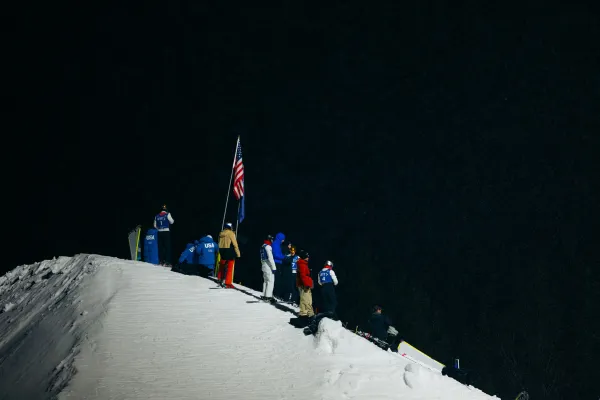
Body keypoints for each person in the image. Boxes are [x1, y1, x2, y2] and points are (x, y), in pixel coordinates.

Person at [217, 222, 240, 288]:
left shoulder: (221, 233)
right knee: (230, 266)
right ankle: (228, 282)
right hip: (229, 250)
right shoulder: (231, 233)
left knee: (222, 264)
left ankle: (219, 278)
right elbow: (235, 244)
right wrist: (238, 253)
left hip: (221, 249)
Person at [296, 250, 314, 318]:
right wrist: (306, 284)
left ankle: (308, 313)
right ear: (304, 257)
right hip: (304, 285)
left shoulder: (304, 264)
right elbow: (303, 275)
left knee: (308, 299)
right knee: (305, 299)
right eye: (307, 257)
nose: (308, 258)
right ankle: (305, 313)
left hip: (306, 284)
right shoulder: (302, 264)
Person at [260, 235, 276, 303]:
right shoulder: (268, 247)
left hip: (263, 264)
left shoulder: (262, 246)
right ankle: (268, 296)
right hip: (268, 265)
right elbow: (270, 258)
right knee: (270, 281)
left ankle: (264, 294)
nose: (272, 241)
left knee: (266, 281)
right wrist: (274, 267)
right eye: (271, 239)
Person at [271, 233, 286, 299]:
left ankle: (276, 293)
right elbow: (276, 255)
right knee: (277, 279)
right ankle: (275, 294)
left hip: (278, 263)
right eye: (283, 239)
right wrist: (284, 257)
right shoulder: (275, 244)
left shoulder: (278, 244)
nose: (283, 241)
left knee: (277, 279)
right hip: (276, 263)